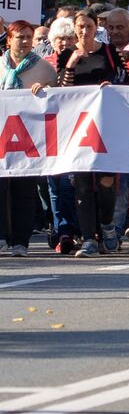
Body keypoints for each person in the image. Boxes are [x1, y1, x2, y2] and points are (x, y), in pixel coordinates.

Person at [56, 8, 129, 258]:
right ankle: (88, 238)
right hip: (78, 128)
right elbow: (60, 91)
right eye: (80, 27)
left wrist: (112, 87)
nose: (84, 31)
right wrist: (71, 64)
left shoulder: (109, 52)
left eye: (88, 26)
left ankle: (107, 225)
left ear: (94, 28)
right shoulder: (67, 54)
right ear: (74, 29)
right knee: (83, 185)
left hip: (105, 127)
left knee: (106, 183)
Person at [1, 21, 56, 256]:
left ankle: (21, 241)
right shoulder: (0, 66)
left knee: (24, 189)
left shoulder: (44, 69)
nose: (24, 41)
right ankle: (2, 236)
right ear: (9, 40)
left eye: (28, 37)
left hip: (29, 138)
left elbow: (59, 100)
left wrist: (44, 89)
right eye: (19, 37)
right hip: (3, 137)